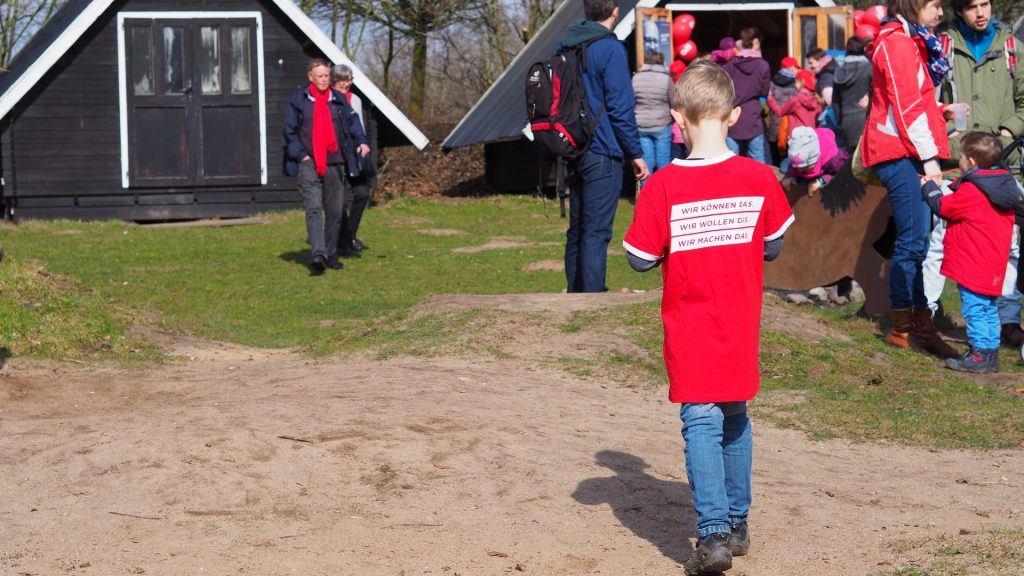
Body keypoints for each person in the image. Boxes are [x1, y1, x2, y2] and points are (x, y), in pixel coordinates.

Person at [623, 61, 794, 576]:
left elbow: (638, 257)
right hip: (739, 321)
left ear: (677, 117)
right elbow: (774, 244)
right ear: (735, 114)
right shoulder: (759, 177)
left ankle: (715, 533)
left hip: (690, 325)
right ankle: (738, 523)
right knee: (735, 415)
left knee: (701, 420)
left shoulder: (662, 186)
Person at [861, 0, 960, 358]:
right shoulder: (897, 43)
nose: (940, 12)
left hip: (905, 149)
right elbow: (905, 107)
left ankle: (918, 324)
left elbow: (907, 102)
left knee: (918, 239)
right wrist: (931, 160)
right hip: (897, 151)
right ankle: (906, 328)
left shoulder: (908, 40)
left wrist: (940, 111)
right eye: (934, 5)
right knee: (913, 241)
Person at [932, 0, 1024, 347]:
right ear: (959, 10)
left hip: (1003, 163)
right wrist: (947, 127)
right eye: (972, 7)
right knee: (940, 242)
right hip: (956, 162)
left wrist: (1005, 133)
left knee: (1009, 246)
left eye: (985, 4)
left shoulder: (1012, 48)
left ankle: (1008, 320)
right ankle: (927, 314)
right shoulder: (940, 46)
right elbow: (927, 97)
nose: (980, 12)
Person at [561, 0, 649, 293]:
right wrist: (635, 153)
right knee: (596, 231)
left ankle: (576, 292)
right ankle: (593, 297)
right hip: (603, 149)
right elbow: (620, 108)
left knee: (578, 229)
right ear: (615, 13)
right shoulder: (610, 49)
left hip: (573, 147)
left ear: (586, 13)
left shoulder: (566, 46)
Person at [922, 133, 1023, 372]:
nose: (961, 162)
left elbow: (943, 207)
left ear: (972, 163)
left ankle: (979, 354)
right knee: (988, 308)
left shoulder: (972, 190)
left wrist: (929, 188)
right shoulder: (1004, 186)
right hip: (994, 264)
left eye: (963, 158)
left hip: (973, 264)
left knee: (975, 309)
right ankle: (989, 353)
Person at [282, 58, 370, 273]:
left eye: (326, 76)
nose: (324, 80)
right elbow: (289, 131)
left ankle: (330, 253)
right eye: (319, 76)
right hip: (309, 162)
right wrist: (301, 155)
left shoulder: (338, 100)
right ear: (310, 77)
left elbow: (353, 123)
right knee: (313, 208)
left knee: (335, 211)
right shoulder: (299, 100)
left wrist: (362, 142)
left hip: (336, 161)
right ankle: (318, 254)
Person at [331, 64, 372, 257]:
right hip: (336, 156)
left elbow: (359, 126)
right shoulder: (328, 99)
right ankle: (343, 241)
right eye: (344, 81)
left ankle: (350, 236)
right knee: (338, 201)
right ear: (335, 81)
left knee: (362, 194)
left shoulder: (355, 99)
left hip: (354, 156)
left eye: (349, 80)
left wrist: (361, 144)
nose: (348, 84)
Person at [722, 27, 770, 163]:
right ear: (756, 42)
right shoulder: (763, 65)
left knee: (731, 162)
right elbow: (764, 92)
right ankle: (760, 185)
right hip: (753, 117)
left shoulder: (729, 65)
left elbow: (722, 89)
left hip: (732, 117)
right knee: (758, 160)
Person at [632, 51, 675, 181]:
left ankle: (647, 197)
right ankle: (665, 197)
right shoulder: (666, 79)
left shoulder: (636, 78)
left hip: (641, 125)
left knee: (646, 165)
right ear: (661, 62)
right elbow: (674, 102)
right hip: (662, 124)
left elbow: (630, 101)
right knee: (663, 164)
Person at [767, 69, 821, 163]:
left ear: (802, 82)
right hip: (811, 137)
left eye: (796, 80)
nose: (795, 83)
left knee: (792, 165)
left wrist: (770, 99)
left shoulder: (796, 100)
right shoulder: (816, 100)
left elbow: (780, 112)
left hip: (796, 137)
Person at [782, 126, 850, 197]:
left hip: (828, 173)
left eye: (806, 168)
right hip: (816, 170)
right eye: (798, 168)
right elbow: (793, 168)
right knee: (784, 166)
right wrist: (790, 176)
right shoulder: (799, 161)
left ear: (816, 158)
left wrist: (822, 180)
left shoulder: (835, 161)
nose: (800, 170)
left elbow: (841, 175)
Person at [831, 36, 873, 150]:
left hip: (846, 121)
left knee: (850, 161)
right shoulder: (869, 68)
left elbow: (835, 101)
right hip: (867, 119)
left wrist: (839, 120)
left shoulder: (839, 71)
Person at [767, 56, 800, 164]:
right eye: (796, 67)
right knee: (790, 154)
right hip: (790, 124)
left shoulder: (772, 82)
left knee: (774, 154)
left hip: (775, 122)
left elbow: (768, 98)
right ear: (791, 68)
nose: (797, 70)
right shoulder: (797, 83)